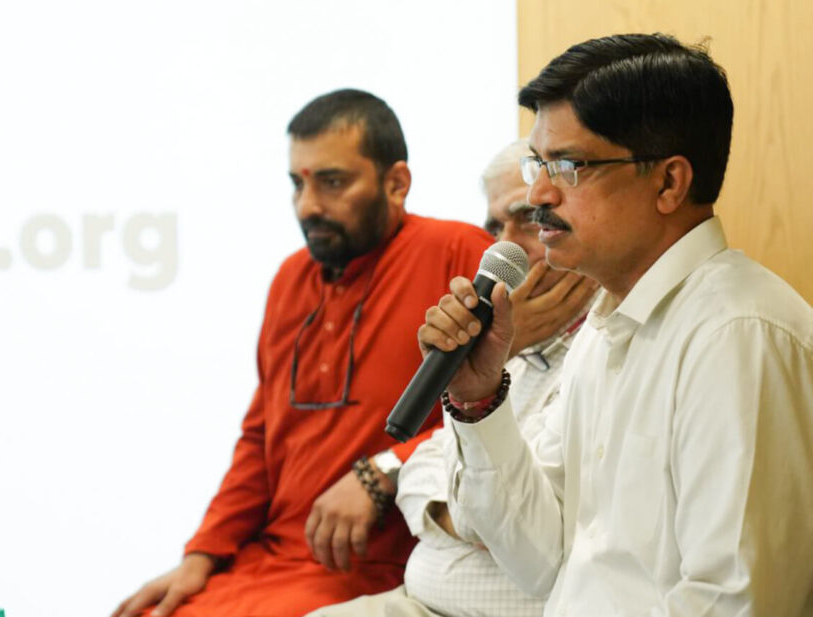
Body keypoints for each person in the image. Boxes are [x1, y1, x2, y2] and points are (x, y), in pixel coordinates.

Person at [419, 33, 813, 615]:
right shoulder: (606, 328)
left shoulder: (737, 336)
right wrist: (479, 403)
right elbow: (544, 560)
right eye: (539, 163)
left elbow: (736, 601)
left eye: (570, 166)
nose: (538, 193)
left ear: (669, 183)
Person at [110, 89, 495, 617]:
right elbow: (260, 438)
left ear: (396, 183)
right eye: (298, 183)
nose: (308, 205)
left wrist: (384, 469)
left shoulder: (458, 254)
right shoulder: (291, 279)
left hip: (371, 567)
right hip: (267, 560)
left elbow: (499, 408)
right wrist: (201, 555)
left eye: (333, 182)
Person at [309, 140, 598, 617]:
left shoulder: (598, 346)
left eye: (526, 219)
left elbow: (514, 530)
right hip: (417, 601)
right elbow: (425, 464)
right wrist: (458, 507)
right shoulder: (515, 343)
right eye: (492, 227)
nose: (500, 246)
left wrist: (455, 509)